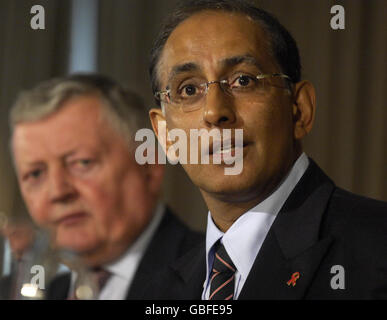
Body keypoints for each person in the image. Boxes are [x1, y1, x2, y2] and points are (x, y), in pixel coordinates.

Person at [148, 0, 387, 299]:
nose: (215, 111)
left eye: (243, 80)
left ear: (299, 110)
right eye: (189, 89)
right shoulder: (158, 292)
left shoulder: (377, 252)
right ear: (166, 136)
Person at [10, 73, 203, 299]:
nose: (58, 192)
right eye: (35, 174)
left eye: (82, 163)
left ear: (149, 166)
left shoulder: (216, 277)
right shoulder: (43, 291)